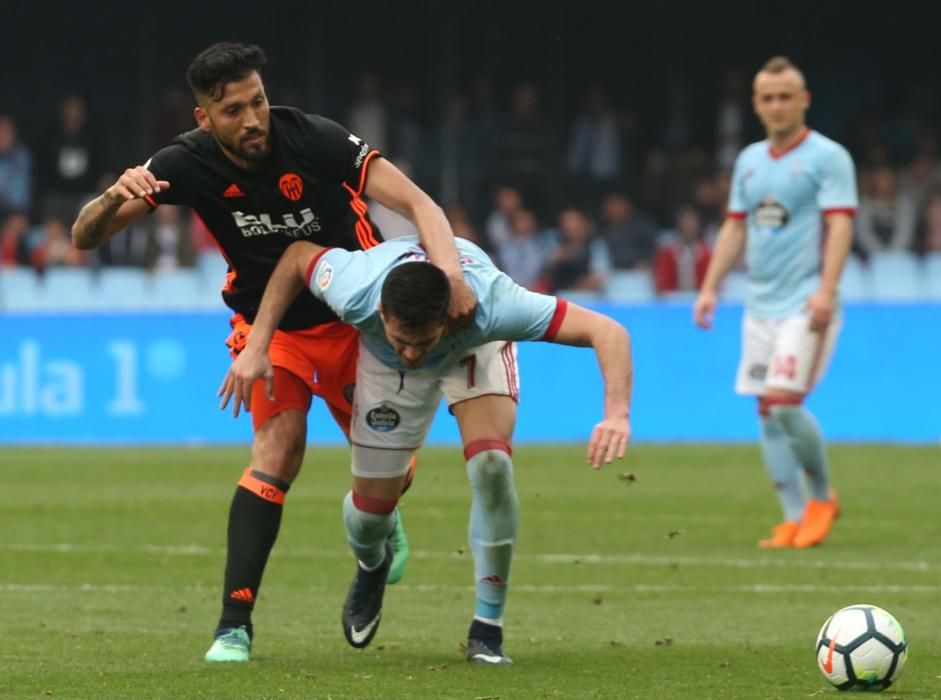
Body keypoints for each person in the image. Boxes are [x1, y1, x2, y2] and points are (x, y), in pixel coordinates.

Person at [69, 42, 476, 663]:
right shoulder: (184, 162)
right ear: (205, 118)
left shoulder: (315, 140)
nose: (252, 118)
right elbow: (85, 238)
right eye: (232, 110)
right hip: (271, 326)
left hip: (355, 321)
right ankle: (234, 625)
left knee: (389, 475)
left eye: (257, 100)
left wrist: (449, 277)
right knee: (276, 450)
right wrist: (108, 196)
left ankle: (373, 545)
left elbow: (420, 204)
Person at [220, 235, 632, 664]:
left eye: (422, 340)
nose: (414, 352)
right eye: (404, 339)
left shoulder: (494, 305)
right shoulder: (355, 287)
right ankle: (371, 564)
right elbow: (297, 257)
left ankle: (487, 630)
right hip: (386, 367)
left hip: (472, 345)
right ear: (381, 313)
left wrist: (616, 414)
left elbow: (608, 331)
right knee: (368, 518)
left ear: (447, 315)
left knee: (491, 465)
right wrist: (258, 343)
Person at [693, 56, 857, 550]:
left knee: (785, 403)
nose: (777, 105)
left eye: (786, 96)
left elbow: (841, 224)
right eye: (768, 97)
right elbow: (735, 226)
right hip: (758, 305)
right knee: (766, 411)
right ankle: (791, 517)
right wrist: (710, 286)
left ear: (804, 100)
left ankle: (822, 497)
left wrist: (826, 289)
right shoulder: (749, 161)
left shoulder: (828, 158)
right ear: (756, 104)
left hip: (805, 300)